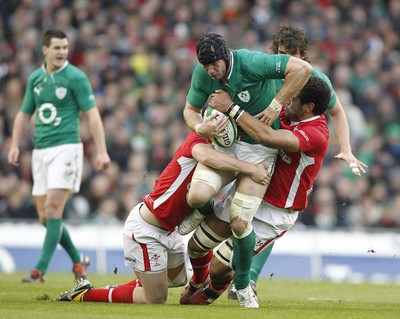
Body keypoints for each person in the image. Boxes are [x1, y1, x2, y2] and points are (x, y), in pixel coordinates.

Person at [227, 23, 369, 300]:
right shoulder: (267, 71)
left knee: (278, 210)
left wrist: (347, 149)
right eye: (283, 53)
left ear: (304, 55)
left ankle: (247, 279)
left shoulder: (316, 81)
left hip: (286, 145)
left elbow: (337, 112)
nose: (290, 59)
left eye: (295, 54)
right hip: (256, 144)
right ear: (276, 52)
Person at [55, 129, 270, 304]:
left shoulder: (225, 153)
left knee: (176, 280)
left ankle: (120, 288)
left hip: (169, 230)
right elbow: (206, 156)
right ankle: (85, 294)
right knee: (156, 299)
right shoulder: (199, 141)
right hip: (147, 229)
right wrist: (251, 168)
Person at [180, 32, 312, 301]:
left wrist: (276, 105)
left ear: (226, 56)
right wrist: (199, 126)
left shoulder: (250, 63)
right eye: (205, 66)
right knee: (196, 196)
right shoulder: (202, 74)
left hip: (260, 152)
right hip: (227, 146)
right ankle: (197, 275)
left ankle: (242, 286)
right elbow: (189, 110)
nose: (210, 71)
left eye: (214, 65)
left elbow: (303, 69)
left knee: (240, 221)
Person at [7, 29, 111, 283]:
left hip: (67, 149)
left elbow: (92, 115)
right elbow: (23, 114)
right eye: (57, 48)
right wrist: (14, 144)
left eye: (65, 47)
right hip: (40, 152)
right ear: (44, 49)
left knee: (54, 209)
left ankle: (39, 270)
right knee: (46, 217)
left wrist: (101, 150)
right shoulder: (35, 80)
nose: (62, 52)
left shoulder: (76, 77)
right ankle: (79, 261)